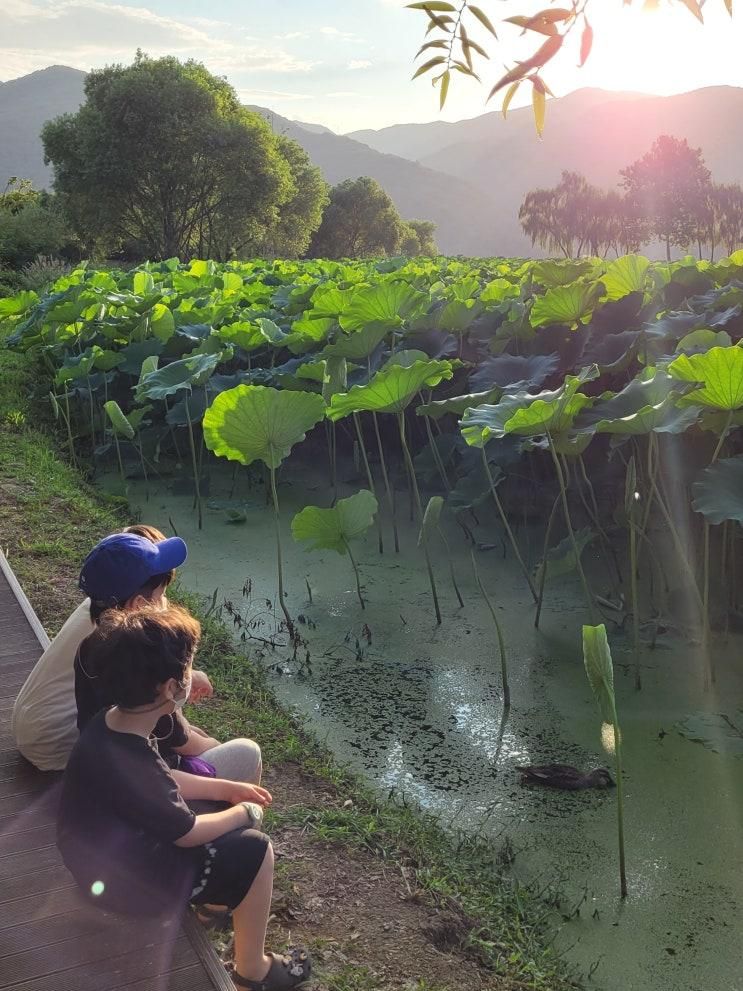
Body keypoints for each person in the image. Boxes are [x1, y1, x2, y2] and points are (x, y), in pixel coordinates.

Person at [57, 604, 311, 990]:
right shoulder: (132, 754)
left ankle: (217, 905)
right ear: (171, 687)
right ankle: (252, 971)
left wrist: (225, 788)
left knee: (225, 819)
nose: (192, 675)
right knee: (257, 850)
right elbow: (186, 832)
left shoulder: (112, 725)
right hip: (124, 884)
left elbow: (161, 781)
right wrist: (243, 811)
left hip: (97, 861)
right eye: (189, 668)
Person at [12, 525, 261, 788]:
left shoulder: (99, 619)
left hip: (41, 728)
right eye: (162, 595)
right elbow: (176, 725)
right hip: (57, 744)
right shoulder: (141, 660)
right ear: (139, 605)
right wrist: (208, 744)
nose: (165, 603)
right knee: (245, 753)